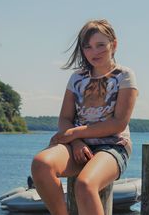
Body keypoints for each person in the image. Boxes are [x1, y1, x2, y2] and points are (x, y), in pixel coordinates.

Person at [31, 19, 138, 215]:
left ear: (114, 45)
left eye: (100, 45)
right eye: (87, 47)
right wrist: (77, 141)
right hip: (76, 145)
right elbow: (64, 118)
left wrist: (73, 133)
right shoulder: (77, 78)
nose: (94, 51)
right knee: (41, 164)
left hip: (113, 146)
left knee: (85, 184)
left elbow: (118, 123)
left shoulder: (125, 76)